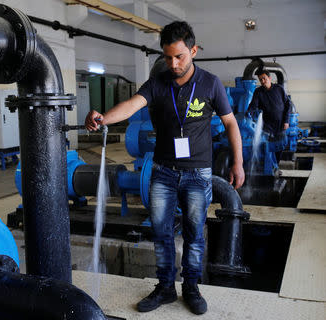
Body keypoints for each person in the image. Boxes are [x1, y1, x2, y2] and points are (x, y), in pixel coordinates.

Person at [85, 21, 244, 315]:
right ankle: (166, 287)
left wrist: (238, 161)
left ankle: (192, 288)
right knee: (161, 233)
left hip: (198, 174)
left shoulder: (210, 83)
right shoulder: (158, 83)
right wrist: (104, 118)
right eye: (168, 57)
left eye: (180, 56)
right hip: (163, 173)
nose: (173, 63)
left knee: (195, 234)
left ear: (193, 51)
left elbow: (231, 122)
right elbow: (133, 105)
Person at [248, 69, 291, 163]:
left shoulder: (279, 89)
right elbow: (253, 105)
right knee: (268, 147)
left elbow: (288, 105)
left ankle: (277, 165)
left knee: (279, 146)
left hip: (281, 124)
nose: (263, 81)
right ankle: (271, 166)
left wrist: (286, 121)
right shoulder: (258, 92)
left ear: (269, 78)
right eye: (260, 79)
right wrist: (248, 114)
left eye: (264, 78)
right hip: (267, 126)